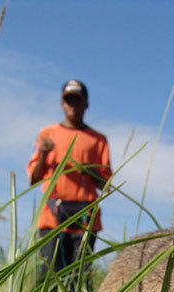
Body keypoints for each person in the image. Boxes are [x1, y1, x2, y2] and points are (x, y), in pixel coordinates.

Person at [27, 79, 112, 277]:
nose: (73, 106)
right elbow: (34, 178)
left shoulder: (98, 140)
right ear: (62, 104)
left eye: (77, 101)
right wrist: (43, 154)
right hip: (52, 214)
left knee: (80, 277)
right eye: (69, 101)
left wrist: (89, 172)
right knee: (48, 275)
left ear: (86, 104)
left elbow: (106, 185)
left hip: (85, 217)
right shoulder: (47, 135)